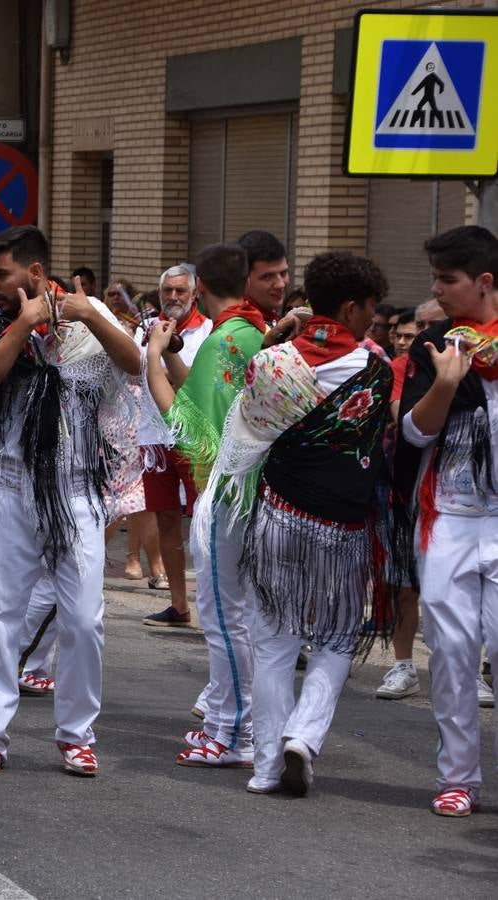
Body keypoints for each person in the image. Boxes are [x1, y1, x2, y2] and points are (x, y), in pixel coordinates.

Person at [0, 226, 144, 778]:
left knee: (85, 619)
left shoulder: (91, 321)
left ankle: (76, 734)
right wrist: (26, 321)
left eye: (1, 274)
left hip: (76, 488)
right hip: (5, 484)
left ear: (35, 274)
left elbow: (134, 365)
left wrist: (88, 316)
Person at [205, 251, 391, 796]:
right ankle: (304, 737)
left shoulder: (272, 361)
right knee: (335, 636)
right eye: (371, 312)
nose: (373, 322)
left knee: (275, 642)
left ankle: (265, 767)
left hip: (280, 516)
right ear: (352, 308)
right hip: (342, 529)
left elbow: (252, 432)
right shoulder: (374, 370)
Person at [145, 241, 266, 767]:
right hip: (249, 492)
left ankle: (235, 735)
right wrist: (169, 355)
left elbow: (193, 432)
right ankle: (223, 721)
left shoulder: (226, 339)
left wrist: (152, 362)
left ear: (201, 289)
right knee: (235, 617)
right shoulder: (251, 331)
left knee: (224, 620)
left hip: (229, 492)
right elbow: (205, 395)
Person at [396, 225, 498, 817]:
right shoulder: (434, 345)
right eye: (435, 277)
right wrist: (446, 383)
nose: (436, 290)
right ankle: (459, 777)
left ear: (484, 282)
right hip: (450, 519)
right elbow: (412, 433)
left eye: (448, 280)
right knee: (454, 654)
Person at [138, 263, 211, 625]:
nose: (173, 297)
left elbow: (189, 383)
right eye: (168, 291)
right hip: (153, 434)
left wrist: (161, 355)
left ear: (195, 293)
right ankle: (179, 605)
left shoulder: (209, 331)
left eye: (181, 291)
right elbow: (138, 373)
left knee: (202, 519)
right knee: (166, 519)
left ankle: (213, 603)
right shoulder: (148, 328)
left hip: (194, 438)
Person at [377, 308, 426, 701]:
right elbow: (404, 419)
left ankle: (483, 667)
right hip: (403, 489)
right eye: (412, 331)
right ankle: (404, 666)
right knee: (403, 584)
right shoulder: (399, 369)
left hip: (465, 497)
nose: (420, 337)